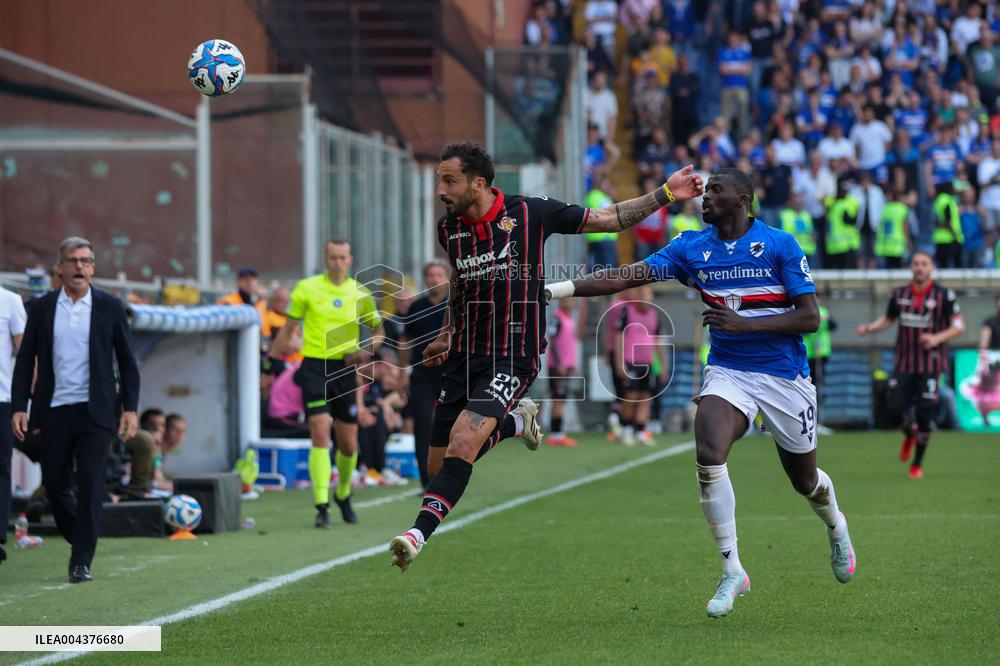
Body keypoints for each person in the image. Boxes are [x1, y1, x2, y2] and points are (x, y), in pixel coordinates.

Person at [545, 168, 856, 617]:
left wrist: (745, 324)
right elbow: (624, 276)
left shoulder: (779, 244)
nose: (705, 197)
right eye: (705, 190)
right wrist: (554, 290)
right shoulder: (691, 247)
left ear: (743, 199)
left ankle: (835, 524)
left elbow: (810, 318)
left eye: (716, 190)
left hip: (784, 376)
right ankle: (733, 570)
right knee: (709, 450)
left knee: (804, 481)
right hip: (729, 371)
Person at [388, 142, 702, 571]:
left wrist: (665, 193)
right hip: (463, 353)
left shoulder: (530, 212)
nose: (440, 189)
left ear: (478, 183)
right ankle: (517, 422)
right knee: (437, 467)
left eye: (449, 180)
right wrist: (446, 334)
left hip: (512, 355)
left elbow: (608, 220)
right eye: (439, 180)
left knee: (464, 443)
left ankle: (415, 536)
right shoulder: (450, 229)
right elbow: (461, 285)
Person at [11, 237, 140, 583]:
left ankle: (81, 560)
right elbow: (25, 363)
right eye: (73, 260)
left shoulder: (110, 307)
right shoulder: (40, 308)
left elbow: (128, 363)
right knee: (54, 483)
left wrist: (131, 409)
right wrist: (19, 406)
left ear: (93, 268)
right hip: (53, 409)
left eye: (86, 260)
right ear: (61, 267)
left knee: (91, 483)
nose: (80, 266)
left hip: (95, 411)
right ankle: (81, 535)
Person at [268, 239, 385, 528]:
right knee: (320, 433)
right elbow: (288, 330)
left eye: (343, 257)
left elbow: (379, 330)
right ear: (325, 258)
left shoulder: (361, 292)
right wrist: (268, 364)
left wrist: (366, 349)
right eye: (333, 257)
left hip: (345, 370)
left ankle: (343, 492)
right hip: (314, 367)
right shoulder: (307, 288)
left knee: (348, 444)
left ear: (350, 259)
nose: (338, 262)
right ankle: (321, 505)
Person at [857, 252, 966, 479]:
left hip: (930, 365)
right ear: (911, 268)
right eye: (916, 264)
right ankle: (909, 433)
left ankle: (917, 464)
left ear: (931, 269)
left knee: (926, 415)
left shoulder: (944, 295)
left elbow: (959, 325)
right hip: (904, 363)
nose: (919, 268)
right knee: (893, 408)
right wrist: (869, 328)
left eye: (924, 264)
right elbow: (888, 319)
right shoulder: (899, 294)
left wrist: (936, 339)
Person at [400, 260, 450, 488]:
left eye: (439, 274)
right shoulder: (416, 307)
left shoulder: (456, 304)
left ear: (447, 278)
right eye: (430, 274)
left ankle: (449, 477)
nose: (434, 278)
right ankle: (426, 480)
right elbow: (405, 341)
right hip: (422, 376)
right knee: (423, 426)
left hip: (451, 374)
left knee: (452, 425)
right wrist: (402, 372)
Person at [615, 285, 668, 446]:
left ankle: (640, 431)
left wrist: (663, 365)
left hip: (648, 363)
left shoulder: (655, 314)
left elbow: (658, 340)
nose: (646, 297)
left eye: (648, 293)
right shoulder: (627, 311)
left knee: (645, 397)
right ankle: (625, 429)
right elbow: (619, 337)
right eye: (643, 293)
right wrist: (619, 361)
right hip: (631, 361)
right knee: (630, 397)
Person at [0, 285, 27, 565]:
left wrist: (26, 402)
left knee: (0, 465)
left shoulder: (10, 301)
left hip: (2, 399)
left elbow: (26, 353)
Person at [546, 298, 580, 447]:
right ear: (561, 301)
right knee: (557, 399)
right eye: (569, 300)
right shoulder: (556, 317)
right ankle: (555, 434)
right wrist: (559, 363)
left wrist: (574, 364)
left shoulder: (569, 318)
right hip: (558, 367)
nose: (572, 302)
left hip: (567, 366)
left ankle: (559, 433)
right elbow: (552, 342)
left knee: (563, 399)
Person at [218, 268, 268, 335]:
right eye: (246, 280)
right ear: (238, 282)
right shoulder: (229, 301)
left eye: (253, 279)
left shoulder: (260, 302)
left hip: (260, 341)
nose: (250, 282)